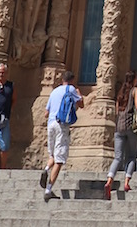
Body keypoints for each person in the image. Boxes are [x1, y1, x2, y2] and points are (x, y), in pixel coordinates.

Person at [104, 68, 137, 199]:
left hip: (119, 126)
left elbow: (117, 110)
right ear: (134, 79)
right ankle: (127, 182)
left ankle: (109, 181)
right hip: (131, 126)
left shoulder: (121, 93)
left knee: (117, 157)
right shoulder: (135, 90)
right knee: (131, 156)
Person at [41, 69, 84, 201]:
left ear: (62, 80)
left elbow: (46, 113)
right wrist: (79, 94)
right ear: (72, 80)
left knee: (53, 154)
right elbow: (81, 104)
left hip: (51, 124)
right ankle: (48, 189)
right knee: (60, 159)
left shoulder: (54, 91)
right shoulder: (71, 89)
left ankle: (47, 168)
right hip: (62, 126)